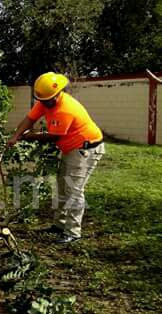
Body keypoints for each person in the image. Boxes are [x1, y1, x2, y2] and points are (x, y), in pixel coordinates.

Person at [7, 72, 104, 244]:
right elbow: (30, 118)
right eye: (42, 100)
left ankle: (73, 232)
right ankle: (59, 226)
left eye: (48, 100)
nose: (45, 103)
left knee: (73, 190)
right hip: (71, 148)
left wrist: (30, 136)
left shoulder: (65, 109)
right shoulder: (45, 101)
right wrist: (16, 135)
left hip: (85, 150)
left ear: (58, 93)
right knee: (62, 186)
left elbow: (54, 137)